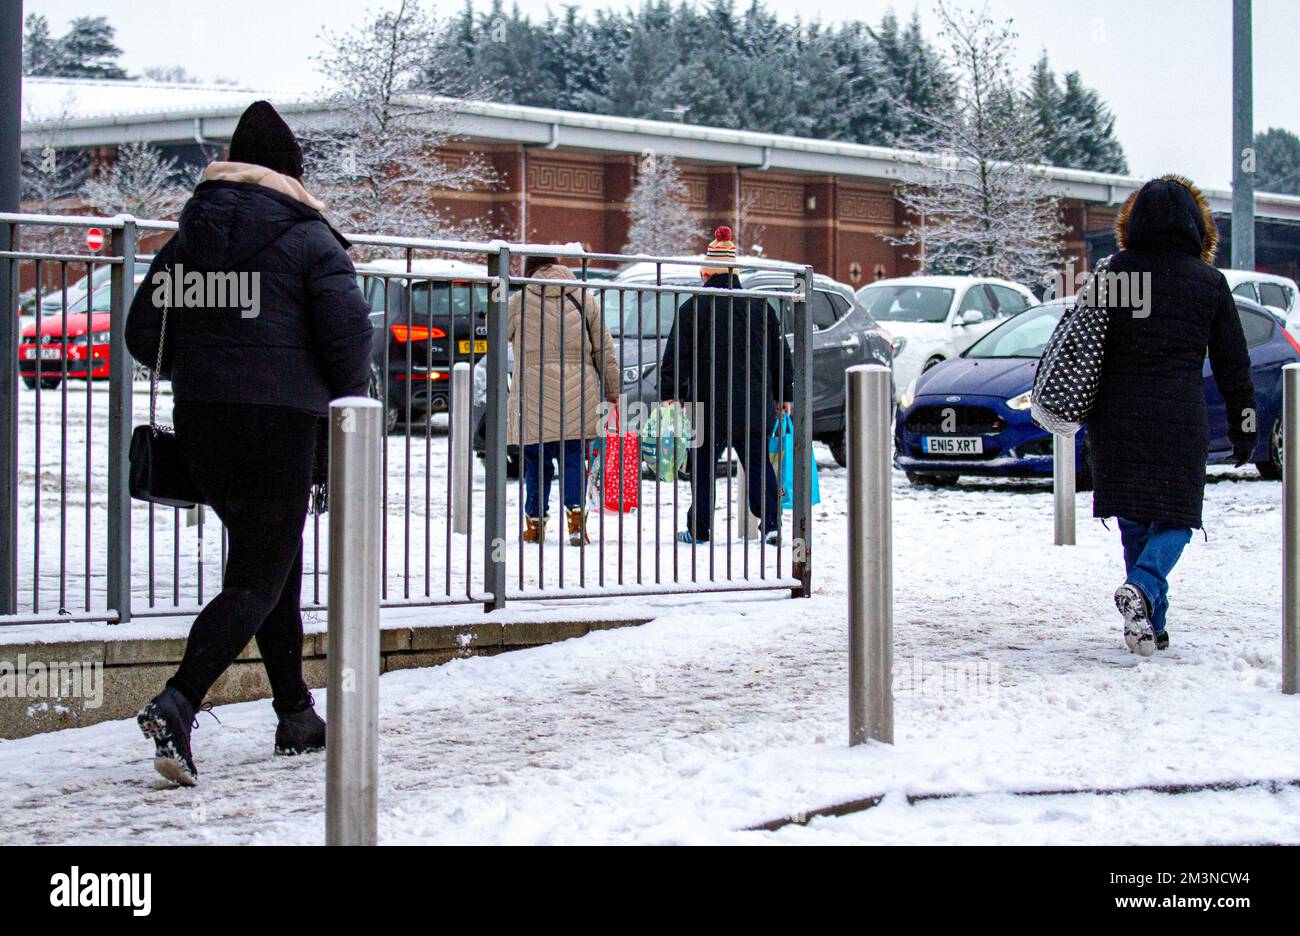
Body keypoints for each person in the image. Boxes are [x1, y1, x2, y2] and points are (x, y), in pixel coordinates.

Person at [126, 101, 373, 785]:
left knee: (272, 564)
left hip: (204, 421)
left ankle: (295, 712)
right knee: (259, 575)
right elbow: (349, 342)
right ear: (291, 171)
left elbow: (143, 335)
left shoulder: (190, 240)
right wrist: (340, 400)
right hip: (278, 424)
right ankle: (178, 700)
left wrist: (209, 364)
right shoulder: (309, 238)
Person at [1088, 175, 1256, 656]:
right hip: (1178, 419)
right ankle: (1143, 586)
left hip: (1115, 418)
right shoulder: (1209, 283)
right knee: (1177, 518)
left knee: (1135, 520)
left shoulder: (1114, 274)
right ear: (1195, 227)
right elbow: (1233, 363)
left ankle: (1149, 629)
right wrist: (1244, 419)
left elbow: (1089, 344)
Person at [658, 226, 792, 546]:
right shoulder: (761, 307)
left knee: (702, 468)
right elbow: (779, 354)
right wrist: (785, 394)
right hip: (753, 401)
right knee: (759, 465)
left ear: (708, 273)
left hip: (707, 402)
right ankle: (771, 523)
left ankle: (700, 528)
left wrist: (670, 393)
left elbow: (679, 354)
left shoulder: (693, 307)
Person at [507, 255, 619, 546]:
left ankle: (534, 524)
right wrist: (612, 390)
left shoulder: (518, 301)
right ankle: (576, 524)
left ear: (530, 270)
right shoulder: (584, 298)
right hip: (577, 391)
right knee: (572, 457)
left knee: (536, 460)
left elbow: (496, 338)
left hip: (533, 391)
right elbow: (603, 349)